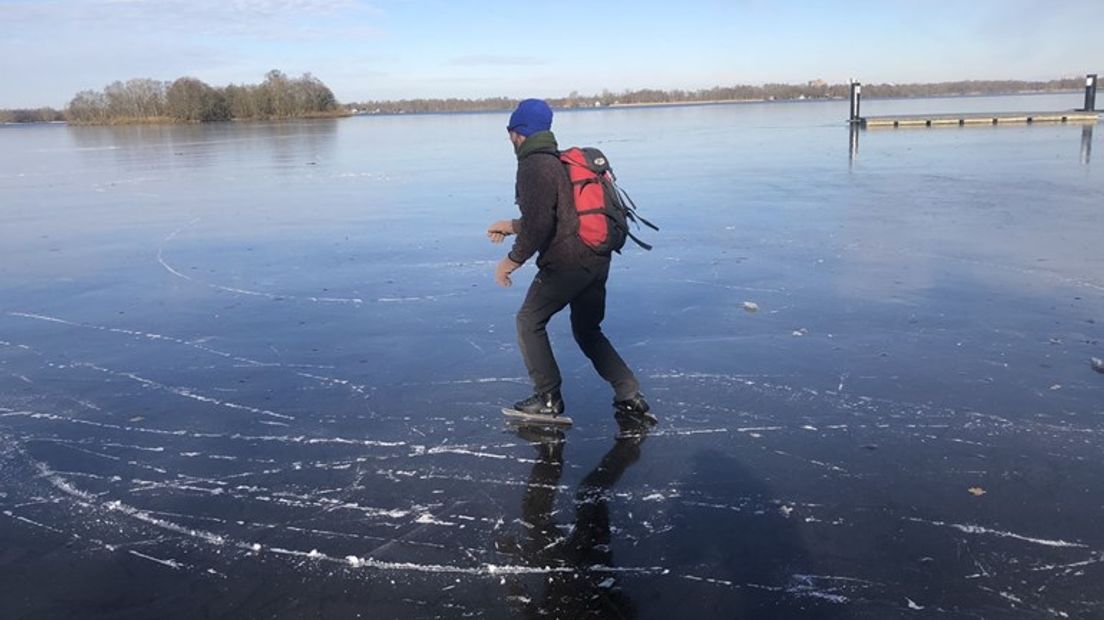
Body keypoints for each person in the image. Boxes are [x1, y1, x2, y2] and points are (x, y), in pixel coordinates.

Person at [487, 98, 652, 423]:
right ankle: (629, 392)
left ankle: (548, 399)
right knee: (588, 329)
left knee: (529, 321)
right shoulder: (558, 161)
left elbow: (540, 224)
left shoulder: (534, 165)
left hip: (567, 263)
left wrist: (512, 260)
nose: (509, 139)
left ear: (518, 133)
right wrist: (510, 226)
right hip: (596, 258)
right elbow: (559, 215)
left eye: (510, 131)